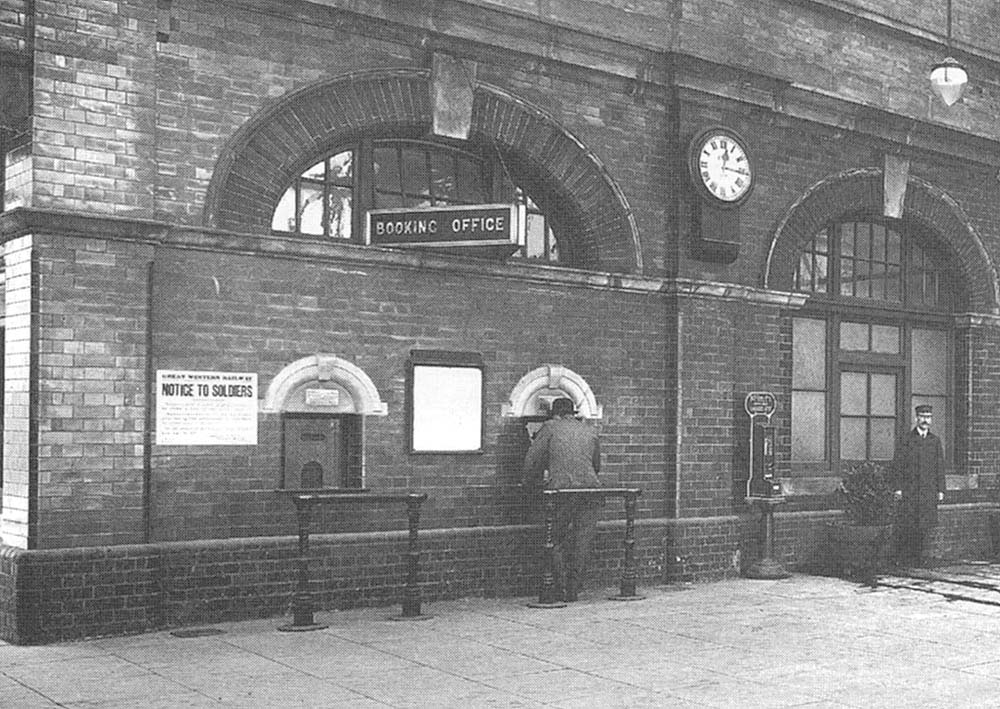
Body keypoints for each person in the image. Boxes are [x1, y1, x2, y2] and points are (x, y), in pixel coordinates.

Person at [523, 397, 602, 602]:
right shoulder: (590, 430)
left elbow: (533, 461)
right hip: (590, 491)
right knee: (582, 539)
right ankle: (574, 589)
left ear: (555, 413)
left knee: (555, 539)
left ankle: (560, 587)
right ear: (573, 413)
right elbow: (596, 465)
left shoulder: (549, 427)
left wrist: (528, 484)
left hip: (562, 491)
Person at [891, 404, 946, 567]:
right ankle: (906, 558)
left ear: (931, 420)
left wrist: (941, 489)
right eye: (922, 417)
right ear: (916, 419)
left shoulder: (934, 441)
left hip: (928, 491)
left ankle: (919, 557)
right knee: (909, 524)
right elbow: (898, 465)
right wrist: (898, 488)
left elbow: (939, 467)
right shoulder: (906, 440)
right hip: (910, 490)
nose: (925, 420)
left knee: (924, 525)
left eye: (928, 417)